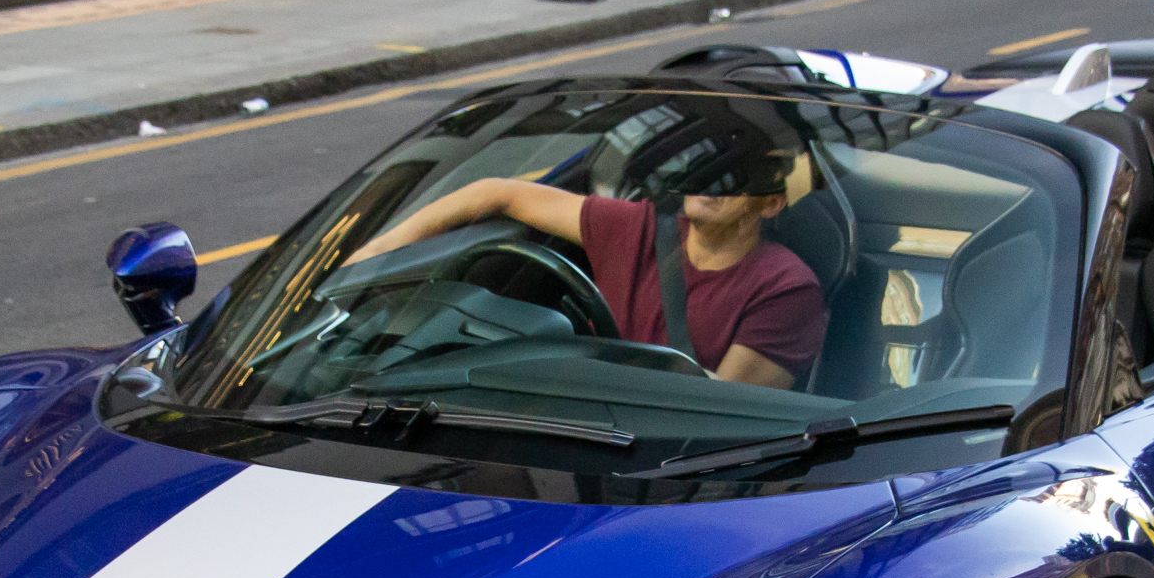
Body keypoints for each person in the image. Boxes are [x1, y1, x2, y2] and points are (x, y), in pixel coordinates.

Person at [349, 165, 829, 389]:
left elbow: (727, 410)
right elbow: (496, 192)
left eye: (740, 175)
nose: (716, 179)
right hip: (588, 413)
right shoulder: (638, 228)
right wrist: (374, 255)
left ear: (771, 203)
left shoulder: (787, 289)